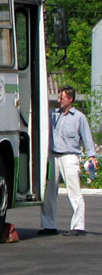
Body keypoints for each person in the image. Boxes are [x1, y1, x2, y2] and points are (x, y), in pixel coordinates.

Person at [39, 86, 98, 236]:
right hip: (53, 156)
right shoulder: (52, 115)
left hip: (70, 156)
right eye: (59, 97)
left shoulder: (79, 117)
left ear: (70, 99)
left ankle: (78, 226)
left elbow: (87, 138)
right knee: (49, 192)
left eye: (62, 98)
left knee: (74, 192)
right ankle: (49, 225)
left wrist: (92, 156)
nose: (59, 100)